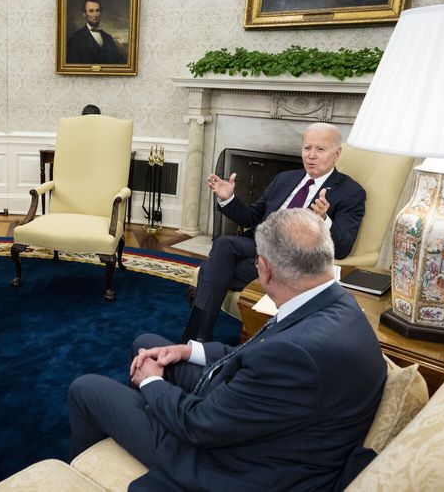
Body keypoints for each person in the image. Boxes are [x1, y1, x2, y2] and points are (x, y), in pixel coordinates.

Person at [69, 208, 386, 491]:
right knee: (147, 343)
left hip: (235, 464)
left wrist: (152, 383)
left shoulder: (295, 356)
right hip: (262, 421)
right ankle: (151, 412)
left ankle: (85, 477)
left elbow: (199, 425)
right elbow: (260, 351)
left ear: (265, 269)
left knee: (86, 389)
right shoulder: (336, 300)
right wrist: (187, 350)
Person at [184, 122, 365, 343]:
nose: (311, 155)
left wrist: (324, 221)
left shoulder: (351, 192)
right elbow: (252, 217)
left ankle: (193, 340)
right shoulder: (285, 178)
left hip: (290, 260)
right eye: (307, 148)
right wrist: (228, 198)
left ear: (337, 154)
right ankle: (198, 340)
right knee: (225, 243)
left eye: (320, 149)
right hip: (257, 246)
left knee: (212, 269)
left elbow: (344, 247)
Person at [67, 0, 124, 64]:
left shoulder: (108, 38)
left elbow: (116, 63)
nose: (95, 14)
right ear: (84, 14)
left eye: (97, 10)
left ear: (100, 12)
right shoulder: (75, 39)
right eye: (91, 11)